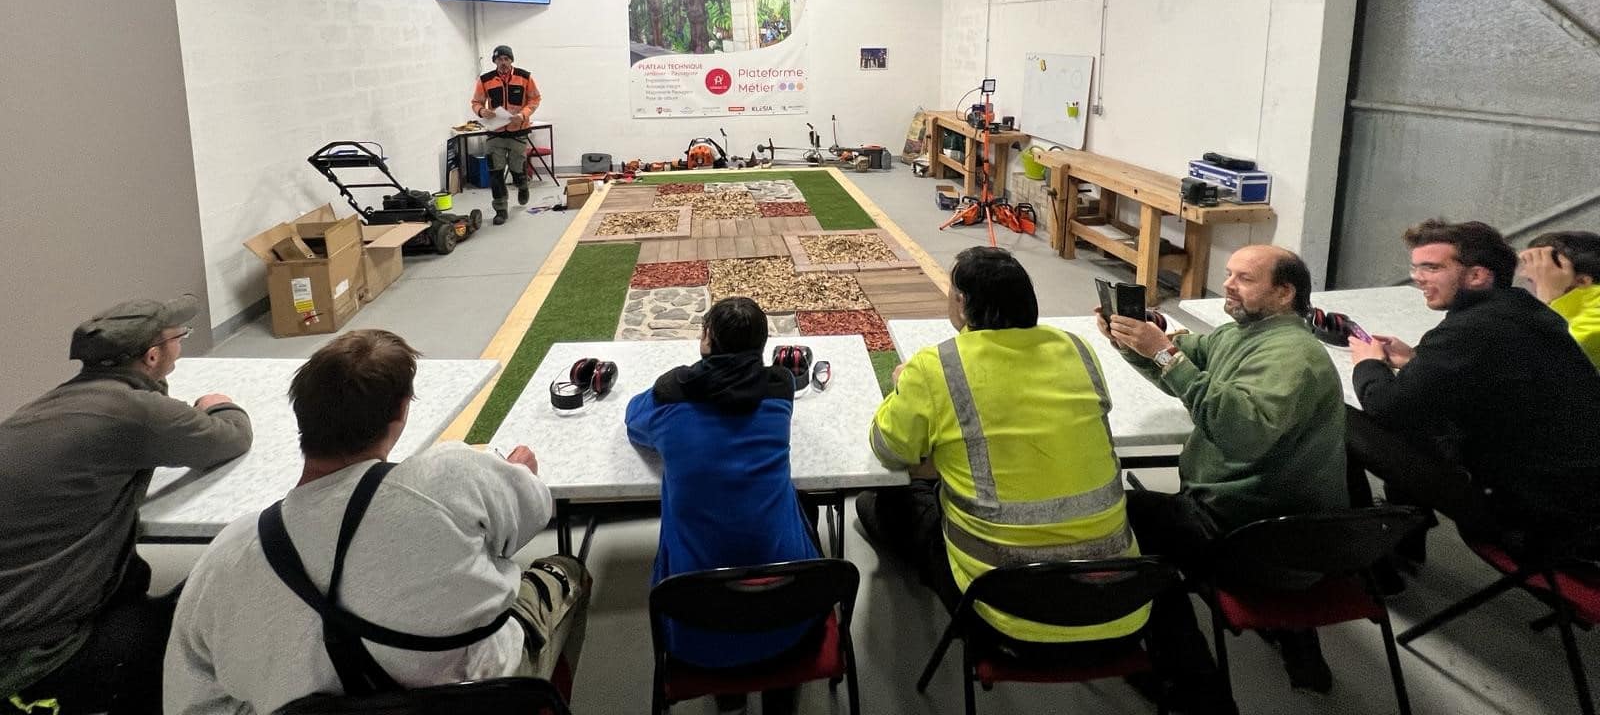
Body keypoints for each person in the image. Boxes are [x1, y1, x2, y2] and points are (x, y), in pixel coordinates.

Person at [165, 330, 589, 715]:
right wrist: (518, 473)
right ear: (401, 412)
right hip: (485, 694)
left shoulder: (227, 553)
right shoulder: (448, 476)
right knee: (568, 571)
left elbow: (193, 699)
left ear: (301, 419)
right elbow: (532, 512)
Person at [863, 248, 1184, 692]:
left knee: (882, 501)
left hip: (1004, 610)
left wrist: (904, 391)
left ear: (961, 302)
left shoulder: (935, 366)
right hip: (1119, 600)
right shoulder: (1076, 348)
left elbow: (889, 449)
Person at [1099, 244, 1347, 698]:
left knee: (1117, 522)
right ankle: (1295, 637)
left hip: (1252, 531)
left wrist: (1166, 356)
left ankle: (1189, 684)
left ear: (1285, 292)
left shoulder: (1292, 356)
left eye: (1245, 278)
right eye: (1229, 274)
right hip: (1276, 520)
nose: (1228, 284)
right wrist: (1133, 342)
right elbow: (1181, 358)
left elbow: (1241, 432)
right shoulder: (1242, 334)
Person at [0, 296, 251, 715]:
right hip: (41, 652)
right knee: (225, 590)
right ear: (153, 356)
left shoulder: (50, 404)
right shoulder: (135, 412)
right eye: (178, 337)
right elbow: (230, 437)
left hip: (20, 613)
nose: (182, 342)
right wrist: (220, 404)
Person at [1349, 219, 1600, 547]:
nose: (1418, 278)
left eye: (1431, 267)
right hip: (1574, 496)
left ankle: (1368, 545)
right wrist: (1414, 360)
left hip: (1536, 513)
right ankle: (1403, 531)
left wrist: (1367, 362)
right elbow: (1483, 379)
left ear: (1478, 276)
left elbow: (1387, 406)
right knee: (1420, 419)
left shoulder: (1475, 329)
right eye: (1416, 268)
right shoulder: (1517, 310)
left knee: (1345, 421)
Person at [625, 298, 819, 715]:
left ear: (707, 341)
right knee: (805, 509)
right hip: (792, 615)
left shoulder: (671, 395)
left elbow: (633, 422)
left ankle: (731, 701)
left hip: (695, 628)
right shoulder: (780, 388)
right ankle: (779, 690)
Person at [471, 44, 541, 225]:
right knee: (495, 172)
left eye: (506, 59)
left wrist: (523, 114)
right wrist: (481, 112)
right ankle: (500, 209)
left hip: (518, 132)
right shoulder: (485, 80)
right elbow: (476, 102)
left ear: (511, 60)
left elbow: (535, 98)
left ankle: (522, 184)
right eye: (499, 59)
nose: (503, 63)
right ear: (494, 61)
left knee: (518, 168)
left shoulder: (525, 77)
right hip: (495, 133)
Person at [1518, 230, 1600, 370]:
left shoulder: (1589, 328)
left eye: (1537, 280)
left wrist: (1548, 300)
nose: (1534, 290)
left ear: (1582, 281)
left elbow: (1540, 365)